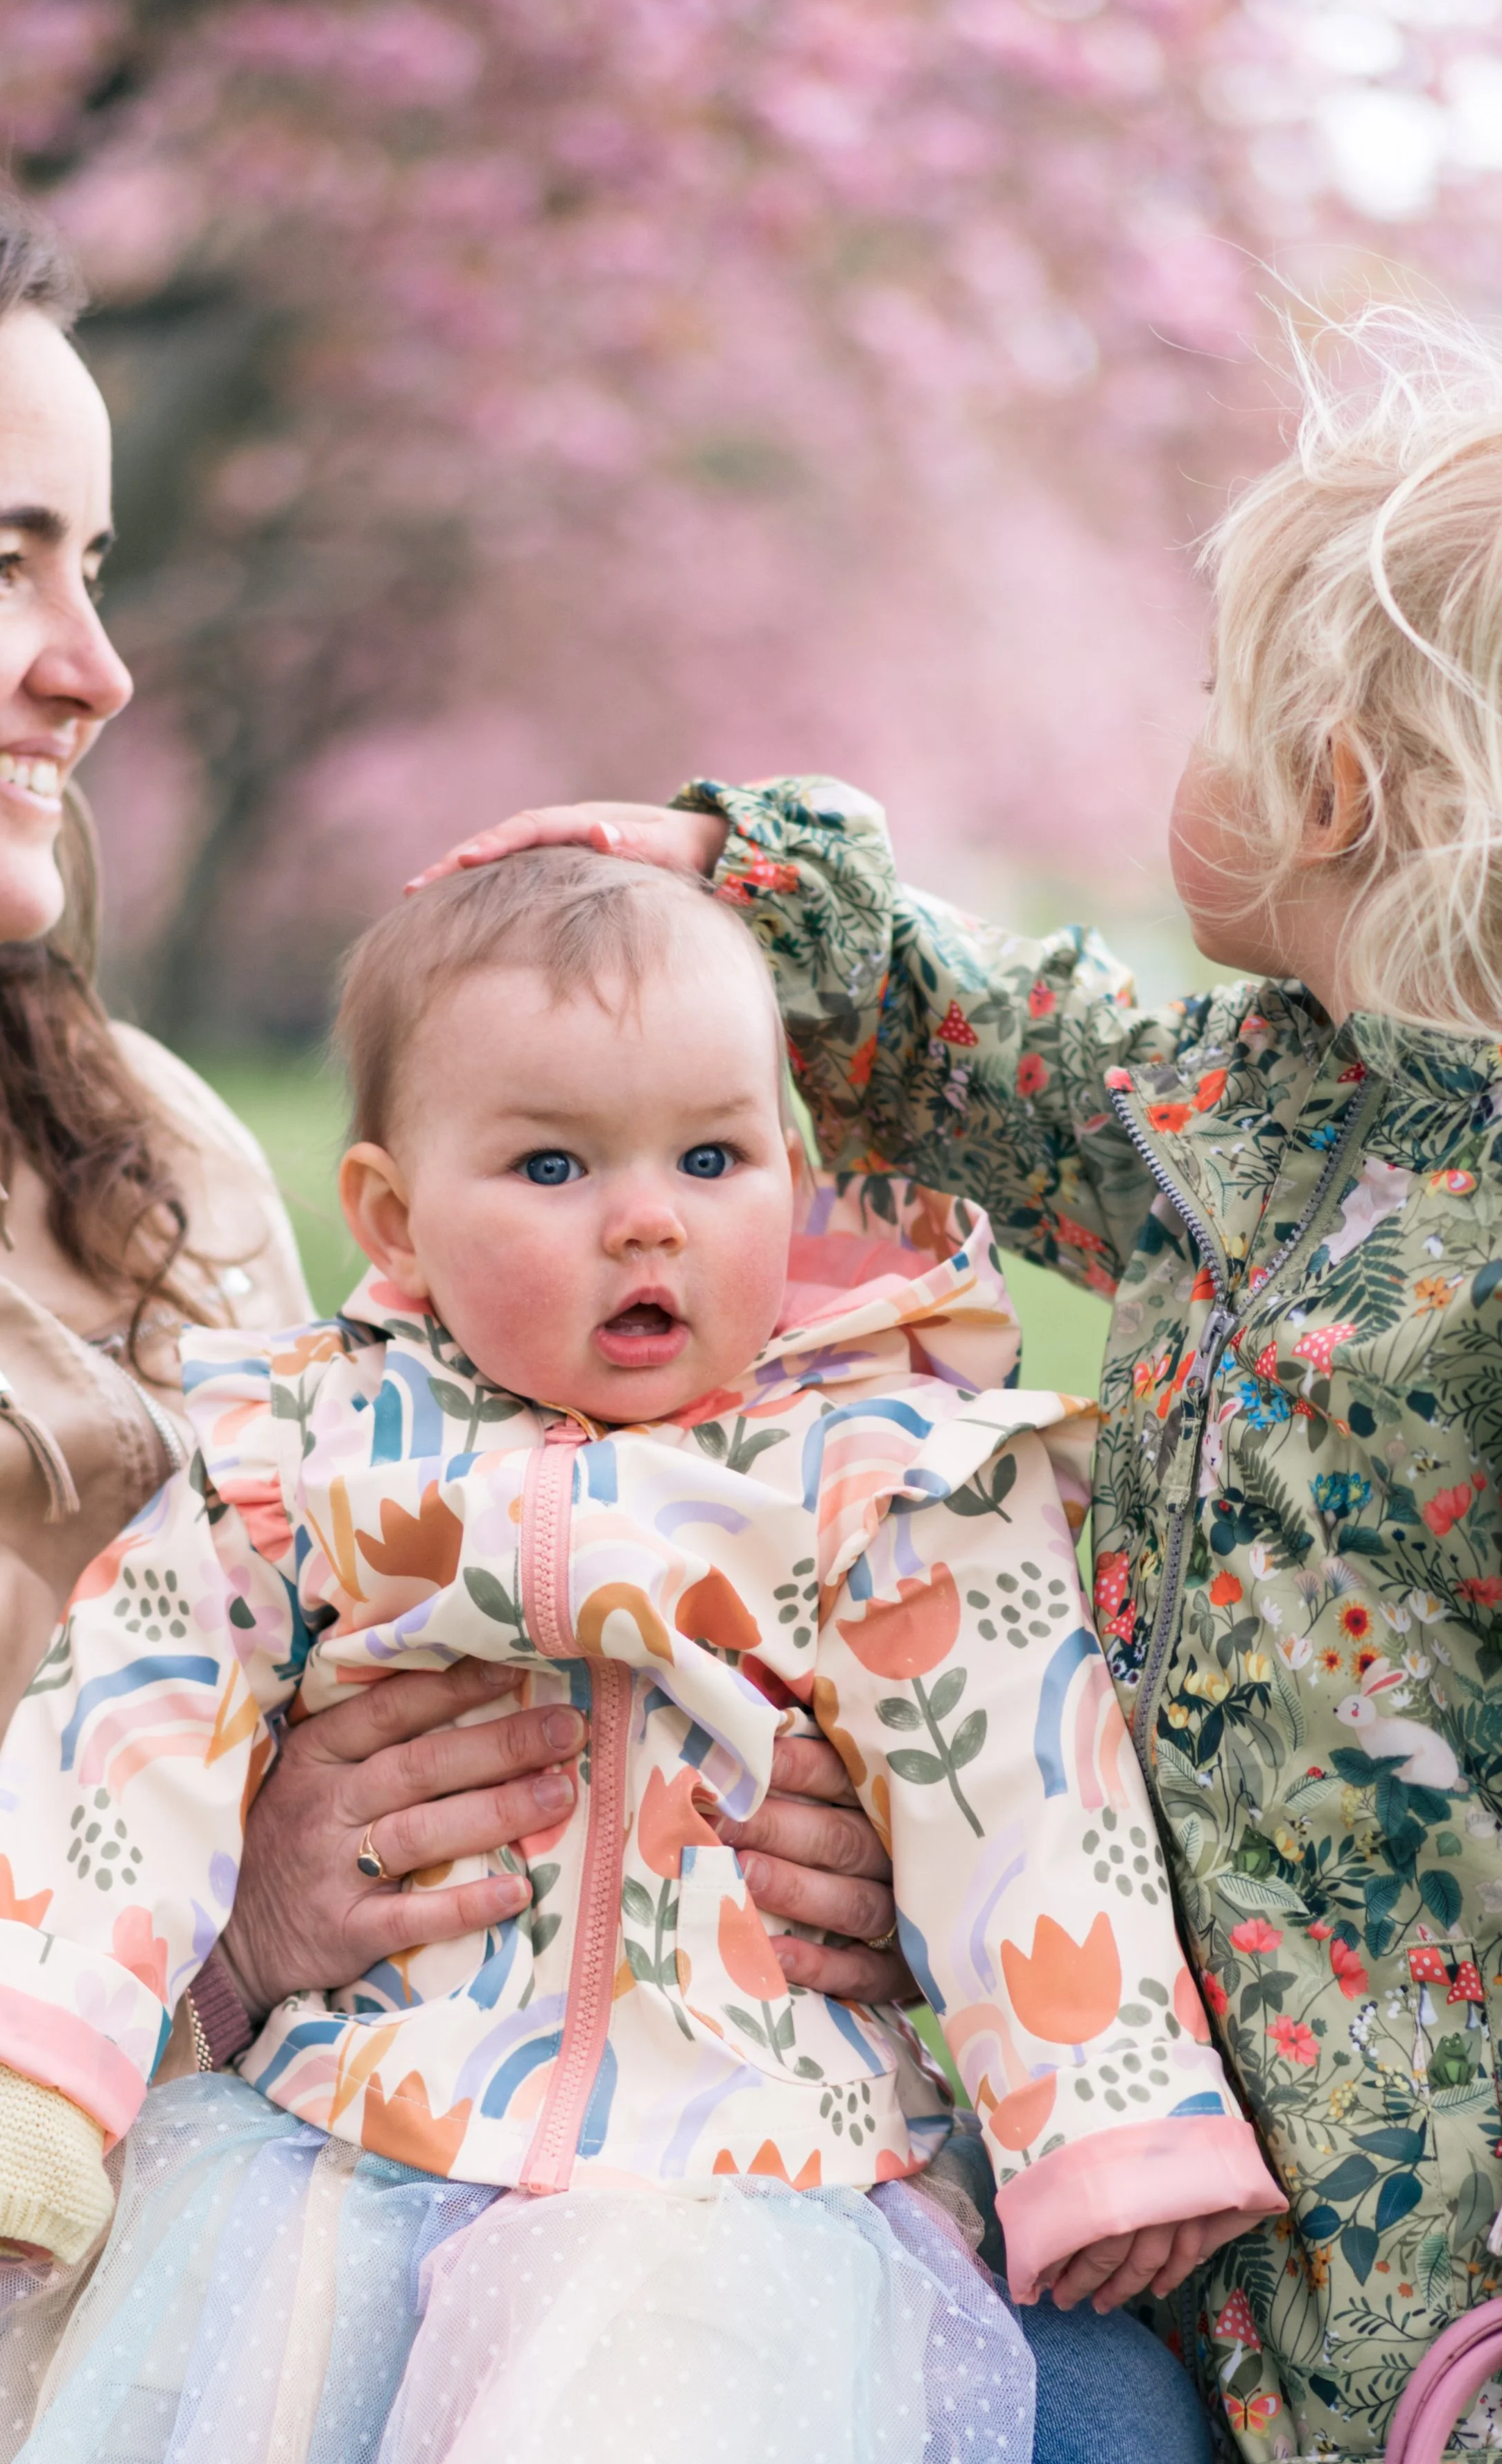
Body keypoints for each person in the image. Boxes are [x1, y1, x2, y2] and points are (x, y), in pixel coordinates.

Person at [0, 129, 896, 2391]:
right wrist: (178, 1955)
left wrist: (800, 1837)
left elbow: (430, 1567)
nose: (96, 669)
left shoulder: (151, 1135)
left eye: (93, 564)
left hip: (430, 2189)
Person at [0, 845, 1282, 2463]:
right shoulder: (313, 1443)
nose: (646, 1218)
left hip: (735, 2177)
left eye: (711, 1156)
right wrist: (34, 2032)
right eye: (553, 1168)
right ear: (393, 1214)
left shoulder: (877, 1472)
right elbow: (128, 1705)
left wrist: (1107, 2122)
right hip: (339, 2140)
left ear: (790, 1176)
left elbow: (1021, 1779)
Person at [421, 307, 1502, 2459]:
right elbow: (981, 1041)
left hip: (1424, 2244)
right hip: (1132, 2141)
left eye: (1216, 713)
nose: (1179, 758)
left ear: (1334, 788)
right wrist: (749, 895)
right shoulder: (1238, 1118)